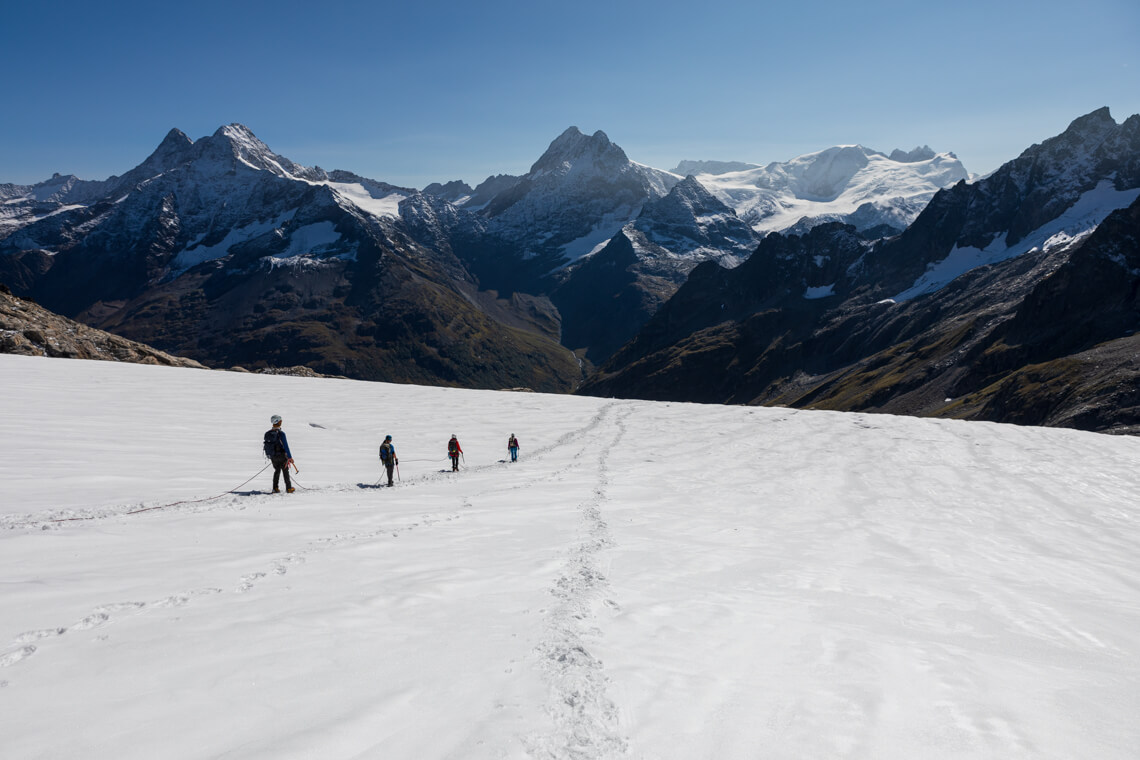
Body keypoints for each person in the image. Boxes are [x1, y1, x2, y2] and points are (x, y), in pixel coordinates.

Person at [263, 414, 295, 493]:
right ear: (278, 422)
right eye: (280, 421)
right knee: (285, 471)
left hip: (273, 456)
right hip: (282, 456)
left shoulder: (268, 433)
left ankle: (275, 488)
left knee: (276, 471)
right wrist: (290, 457)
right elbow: (286, 446)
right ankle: (289, 488)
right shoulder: (281, 434)